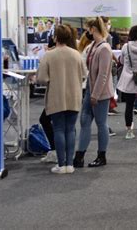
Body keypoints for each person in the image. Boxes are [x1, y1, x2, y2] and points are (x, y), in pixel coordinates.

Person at [36, 25, 86, 174]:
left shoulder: (49, 55)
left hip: (56, 96)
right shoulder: (76, 55)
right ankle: (70, 165)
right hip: (74, 96)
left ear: (55, 37)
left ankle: (60, 164)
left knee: (58, 129)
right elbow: (84, 75)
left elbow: (42, 79)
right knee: (70, 129)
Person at [73, 17, 114, 168]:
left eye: (87, 29)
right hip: (90, 88)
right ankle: (79, 156)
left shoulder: (104, 48)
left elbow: (103, 74)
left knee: (101, 123)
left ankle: (101, 155)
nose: (86, 32)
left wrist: (95, 94)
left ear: (93, 29)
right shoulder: (92, 46)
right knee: (84, 121)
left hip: (100, 92)